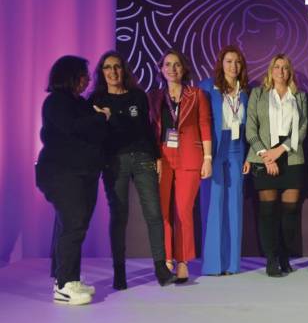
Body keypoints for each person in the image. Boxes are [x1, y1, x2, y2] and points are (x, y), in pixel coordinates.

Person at [89, 51, 176, 289]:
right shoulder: (96, 98)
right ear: (102, 72)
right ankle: (119, 272)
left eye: (117, 67)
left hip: (142, 158)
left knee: (154, 213)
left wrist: (157, 156)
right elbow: (94, 134)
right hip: (113, 161)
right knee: (119, 216)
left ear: (123, 70)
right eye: (107, 67)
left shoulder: (138, 96)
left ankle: (161, 267)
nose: (113, 72)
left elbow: (144, 129)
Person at [36, 56, 109, 305]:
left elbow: (95, 131)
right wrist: (100, 117)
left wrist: (98, 120)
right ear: (69, 76)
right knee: (73, 223)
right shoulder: (56, 102)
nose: (88, 79)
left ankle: (69, 277)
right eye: (83, 75)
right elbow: (76, 128)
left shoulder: (80, 103)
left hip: (83, 173)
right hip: (60, 173)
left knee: (75, 225)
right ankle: (64, 284)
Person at [148, 49, 213, 284]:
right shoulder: (154, 97)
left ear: (184, 69)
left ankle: (183, 260)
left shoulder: (196, 95)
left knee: (183, 210)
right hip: (162, 157)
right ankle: (166, 259)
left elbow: (205, 125)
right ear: (161, 69)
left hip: (190, 156)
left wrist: (208, 158)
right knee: (162, 211)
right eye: (167, 64)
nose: (172, 69)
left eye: (177, 65)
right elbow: (150, 130)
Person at [245, 54, 308, 278]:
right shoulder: (258, 94)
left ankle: (284, 255)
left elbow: (301, 129)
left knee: (290, 214)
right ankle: (271, 258)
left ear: (289, 72)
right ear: (270, 70)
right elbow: (250, 128)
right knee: (268, 213)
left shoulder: (299, 97)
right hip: (263, 157)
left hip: (291, 157)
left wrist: (279, 151)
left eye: (285, 68)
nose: (280, 71)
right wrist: (266, 155)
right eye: (277, 67)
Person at [199, 46, 250, 276]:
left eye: (237, 62)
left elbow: (251, 126)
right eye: (229, 61)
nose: (233, 66)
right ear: (221, 63)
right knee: (214, 204)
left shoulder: (245, 92)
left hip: (237, 149)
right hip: (215, 149)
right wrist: (205, 155)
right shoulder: (207, 88)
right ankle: (213, 264)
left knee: (234, 206)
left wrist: (249, 155)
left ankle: (231, 264)